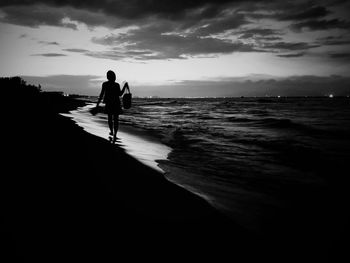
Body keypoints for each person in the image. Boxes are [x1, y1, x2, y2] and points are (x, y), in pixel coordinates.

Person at [96, 70, 129, 142]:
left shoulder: (105, 84)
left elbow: (101, 94)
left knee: (110, 118)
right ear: (114, 77)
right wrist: (125, 86)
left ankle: (111, 131)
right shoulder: (116, 85)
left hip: (109, 103)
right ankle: (115, 134)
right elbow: (120, 94)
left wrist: (97, 104)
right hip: (116, 103)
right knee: (116, 119)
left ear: (108, 77)